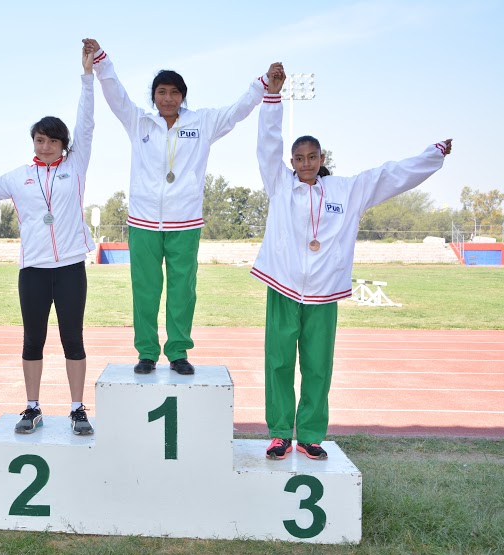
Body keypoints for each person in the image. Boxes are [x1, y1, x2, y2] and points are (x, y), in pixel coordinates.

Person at [255, 67, 452, 460]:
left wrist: (433, 155)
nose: (305, 163)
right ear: (290, 162)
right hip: (283, 287)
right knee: (278, 362)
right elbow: (267, 142)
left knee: (317, 367)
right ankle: (279, 432)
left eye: (312, 157)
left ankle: (310, 433)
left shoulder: (347, 190)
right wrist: (272, 98)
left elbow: (391, 175)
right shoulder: (279, 184)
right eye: (299, 158)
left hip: (324, 293)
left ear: (322, 158)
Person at [83, 37, 280, 376]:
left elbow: (237, 111)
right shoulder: (139, 122)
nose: (168, 98)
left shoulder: (201, 123)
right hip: (143, 221)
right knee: (144, 290)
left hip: (185, 223)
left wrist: (263, 85)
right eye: (162, 92)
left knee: (182, 292)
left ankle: (177, 352)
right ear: (154, 96)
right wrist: (101, 62)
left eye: (174, 92)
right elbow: (115, 95)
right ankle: (146, 351)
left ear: (183, 96)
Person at [0, 42, 96, 436]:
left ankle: (78, 408)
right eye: (38, 140)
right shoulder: (19, 176)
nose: (43, 145)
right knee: (33, 338)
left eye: (50, 140)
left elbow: (86, 122)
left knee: (72, 338)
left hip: (69, 267)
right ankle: (31, 406)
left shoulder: (76, 166)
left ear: (63, 144)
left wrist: (87, 77)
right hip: (32, 270)